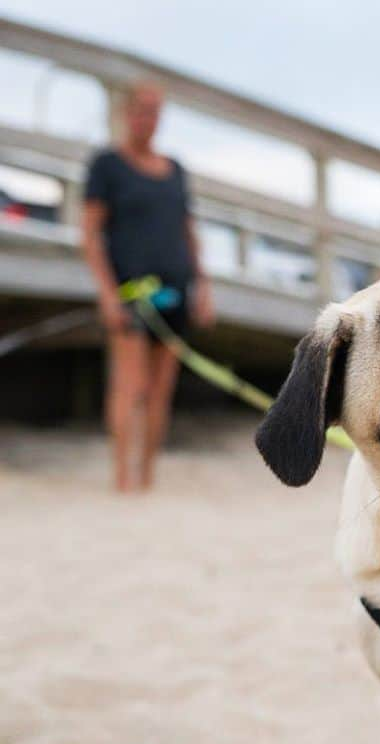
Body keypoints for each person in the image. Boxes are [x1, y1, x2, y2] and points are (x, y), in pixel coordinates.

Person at [81, 82, 214, 491]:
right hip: (130, 291)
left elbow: (188, 232)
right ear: (125, 112)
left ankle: (147, 477)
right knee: (130, 386)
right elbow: (90, 233)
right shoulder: (107, 165)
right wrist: (106, 292)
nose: (148, 118)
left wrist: (203, 285)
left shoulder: (175, 170)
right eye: (141, 109)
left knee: (160, 392)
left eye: (155, 110)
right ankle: (122, 477)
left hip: (176, 289)